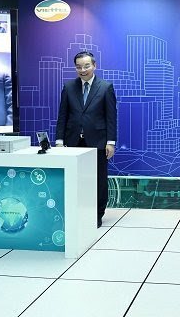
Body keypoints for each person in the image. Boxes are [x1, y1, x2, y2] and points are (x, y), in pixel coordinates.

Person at [56, 51, 117, 228]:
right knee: (75, 179)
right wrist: (59, 140)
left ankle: (97, 214)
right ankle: (77, 213)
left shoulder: (105, 87)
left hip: (98, 142)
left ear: (94, 66)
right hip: (73, 142)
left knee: (98, 180)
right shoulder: (68, 87)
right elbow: (62, 115)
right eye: (79, 67)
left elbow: (111, 117)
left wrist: (110, 142)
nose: (83, 70)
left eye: (86, 66)